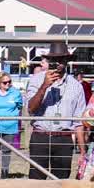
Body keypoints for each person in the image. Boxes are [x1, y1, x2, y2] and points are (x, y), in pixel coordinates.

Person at [24, 42, 86, 180]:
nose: (57, 63)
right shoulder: (36, 80)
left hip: (64, 138)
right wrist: (44, 86)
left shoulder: (76, 86)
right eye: (54, 60)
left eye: (61, 59)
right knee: (36, 181)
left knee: (61, 183)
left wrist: (82, 151)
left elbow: (79, 121)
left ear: (66, 61)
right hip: (41, 136)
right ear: (49, 61)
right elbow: (31, 109)